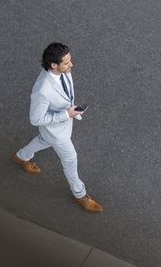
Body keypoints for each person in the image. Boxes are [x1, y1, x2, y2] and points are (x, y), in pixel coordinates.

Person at [13, 42, 102, 212]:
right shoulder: (42, 90)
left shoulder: (62, 71)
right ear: (53, 65)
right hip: (57, 132)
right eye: (67, 63)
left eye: (70, 60)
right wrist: (66, 115)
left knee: (43, 139)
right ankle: (80, 194)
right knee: (70, 159)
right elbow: (36, 119)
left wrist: (69, 111)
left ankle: (21, 156)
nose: (71, 65)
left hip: (58, 127)